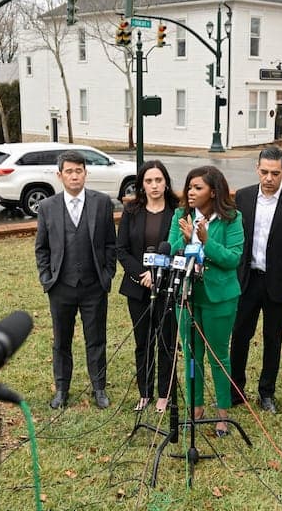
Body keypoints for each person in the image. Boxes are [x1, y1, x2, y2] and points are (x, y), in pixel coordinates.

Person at [230, 146, 282, 413]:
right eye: (264, 172)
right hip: (246, 280)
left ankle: (267, 392)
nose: (269, 178)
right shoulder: (242, 198)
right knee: (240, 335)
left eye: (275, 173)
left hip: (277, 282)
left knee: (272, 338)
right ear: (257, 169)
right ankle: (235, 390)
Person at [35, 150, 117, 410]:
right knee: (62, 340)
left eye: (78, 171)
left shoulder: (102, 203)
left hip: (94, 286)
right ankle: (61, 388)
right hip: (61, 286)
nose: (74, 176)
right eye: (69, 171)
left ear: (86, 173)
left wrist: (107, 273)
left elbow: (110, 244)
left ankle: (99, 388)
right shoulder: (48, 207)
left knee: (96, 339)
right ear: (60, 175)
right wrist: (47, 277)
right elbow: (42, 247)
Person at [168, 166, 243, 436]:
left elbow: (233, 258)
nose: (190, 192)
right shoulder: (180, 215)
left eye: (197, 188)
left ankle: (222, 414)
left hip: (219, 298)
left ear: (213, 191)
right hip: (187, 296)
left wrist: (206, 242)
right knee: (191, 355)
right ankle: (196, 407)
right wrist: (185, 241)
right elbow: (171, 248)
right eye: (189, 187)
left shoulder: (232, 218)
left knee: (218, 356)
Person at [116, 160, 179, 413]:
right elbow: (121, 250)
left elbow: (178, 248)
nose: (154, 185)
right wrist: (143, 273)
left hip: (167, 288)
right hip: (137, 287)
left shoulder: (177, 212)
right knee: (143, 342)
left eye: (158, 180)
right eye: (149, 181)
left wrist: (159, 274)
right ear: (142, 184)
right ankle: (145, 392)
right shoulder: (131, 212)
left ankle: (165, 394)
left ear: (166, 182)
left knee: (166, 341)